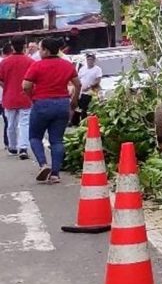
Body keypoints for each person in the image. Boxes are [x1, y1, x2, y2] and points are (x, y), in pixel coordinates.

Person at [23, 37, 80, 184]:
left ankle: (43, 164)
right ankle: (55, 174)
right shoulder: (67, 65)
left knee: (35, 137)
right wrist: (74, 100)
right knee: (57, 140)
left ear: (46, 51)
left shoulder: (37, 66)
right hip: (62, 104)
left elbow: (26, 86)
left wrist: (32, 97)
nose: (39, 52)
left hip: (42, 103)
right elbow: (78, 84)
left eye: (41, 49)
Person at [0, 38, 34, 159]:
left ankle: (12, 147)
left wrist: (7, 86)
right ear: (24, 46)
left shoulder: (4, 62)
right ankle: (23, 148)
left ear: (12, 46)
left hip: (9, 97)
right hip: (25, 97)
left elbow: (1, 80)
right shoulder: (30, 61)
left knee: (10, 124)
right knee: (25, 123)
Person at [76, 52, 103, 121]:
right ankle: (80, 121)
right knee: (81, 108)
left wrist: (89, 86)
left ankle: (90, 121)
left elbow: (98, 81)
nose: (89, 61)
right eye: (88, 59)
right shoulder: (82, 69)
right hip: (82, 92)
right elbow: (78, 79)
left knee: (89, 108)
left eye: (91, 59)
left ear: (94, 60)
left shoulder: (97, 69)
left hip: (91, 92)